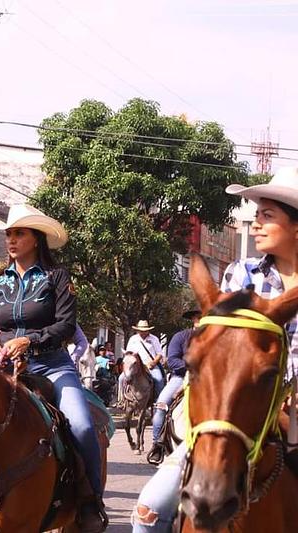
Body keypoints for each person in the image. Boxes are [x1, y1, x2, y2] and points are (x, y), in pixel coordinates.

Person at [132, 167, 298, 531]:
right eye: (256, 216)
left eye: (267, 216)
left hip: (292, 408)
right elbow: (222, 348)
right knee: (150, 510)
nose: (256, 224)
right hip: (233, 405)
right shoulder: (242, 273)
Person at [0, 204, 106, 532]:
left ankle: (89, 500)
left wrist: (30, 341)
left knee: (81, 427)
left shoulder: (58, 277)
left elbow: (66, 325)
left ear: (36, 239)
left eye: (19, 233)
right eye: (8, 233)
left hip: (51, 366)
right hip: (2, 370)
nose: (11, 239)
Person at [146, 309, 199, 464]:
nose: (203, 320)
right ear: (193, 319)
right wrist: (192, 366)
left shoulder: (218, 338)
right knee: (161, 404)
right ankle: (158, 444)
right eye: (199, 317)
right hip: (181, 377)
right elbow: (172, 360)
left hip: (208, 378)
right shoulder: (181, 337)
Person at [120, 320, 166, 404]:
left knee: (159, 380)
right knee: (121, 378)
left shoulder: (154, 339)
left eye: (145, 331)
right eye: (141, 331)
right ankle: (122, 400)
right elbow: (128, 353)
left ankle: (158, 402)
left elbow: (159, 354)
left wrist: (153, 362)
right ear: (137, 330)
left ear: (148, 330)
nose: (143, 333)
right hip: (135, 365)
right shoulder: (133, 339)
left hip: (150, 365)